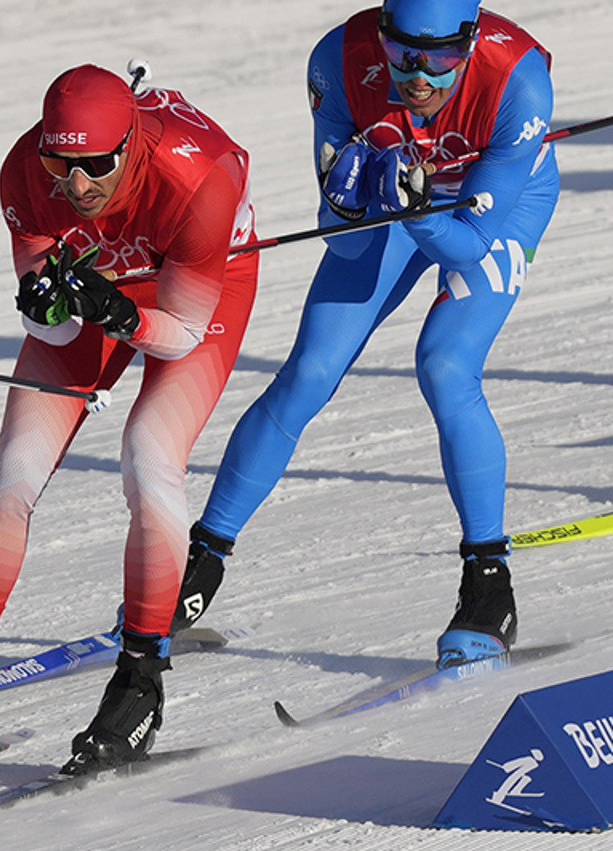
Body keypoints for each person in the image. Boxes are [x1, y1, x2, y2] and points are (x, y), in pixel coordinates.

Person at [0, 64, 259, 776]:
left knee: (149, 457)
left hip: (194, 296)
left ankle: (140, 679)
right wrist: (53, 305)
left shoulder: (198, 179)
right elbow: (58, 339)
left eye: (96, 164)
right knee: (11, 478)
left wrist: (115, 309)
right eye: (62, 163)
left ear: (129, 145)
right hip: (105, 289)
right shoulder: (25, 174)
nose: (78, 183)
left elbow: (183, 333)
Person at [174, 0, 555, 669]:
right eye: (404, 53)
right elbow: (346, 247)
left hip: (490, 208)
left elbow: (468, 247)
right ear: (381, 37)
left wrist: (415, 206)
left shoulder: (517, 79)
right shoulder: (340, 62)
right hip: (398, 194)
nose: (419, 77)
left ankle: (489, 585)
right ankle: (200, 565)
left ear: (469, 43)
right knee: (309, 372)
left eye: (441, 59)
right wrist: (348, 202)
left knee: (444, 364)